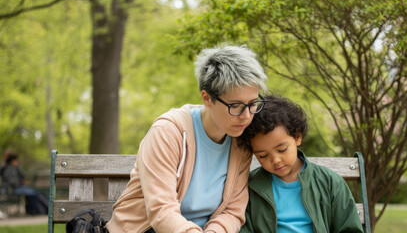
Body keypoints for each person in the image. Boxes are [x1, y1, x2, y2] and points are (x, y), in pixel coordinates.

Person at [106, 44, 268, 233]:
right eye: (236, 106)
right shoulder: (167, 132)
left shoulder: (240, 143)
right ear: (207, 98)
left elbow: (233, 211)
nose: (247, 115)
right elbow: (162, 210)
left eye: (253, 104)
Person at [237, 95, 364, 233]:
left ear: (297, 136)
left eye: (282, 149)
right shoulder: (250, 187)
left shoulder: (330, 182)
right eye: (263, 156)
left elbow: (349, 229)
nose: (275, 160)